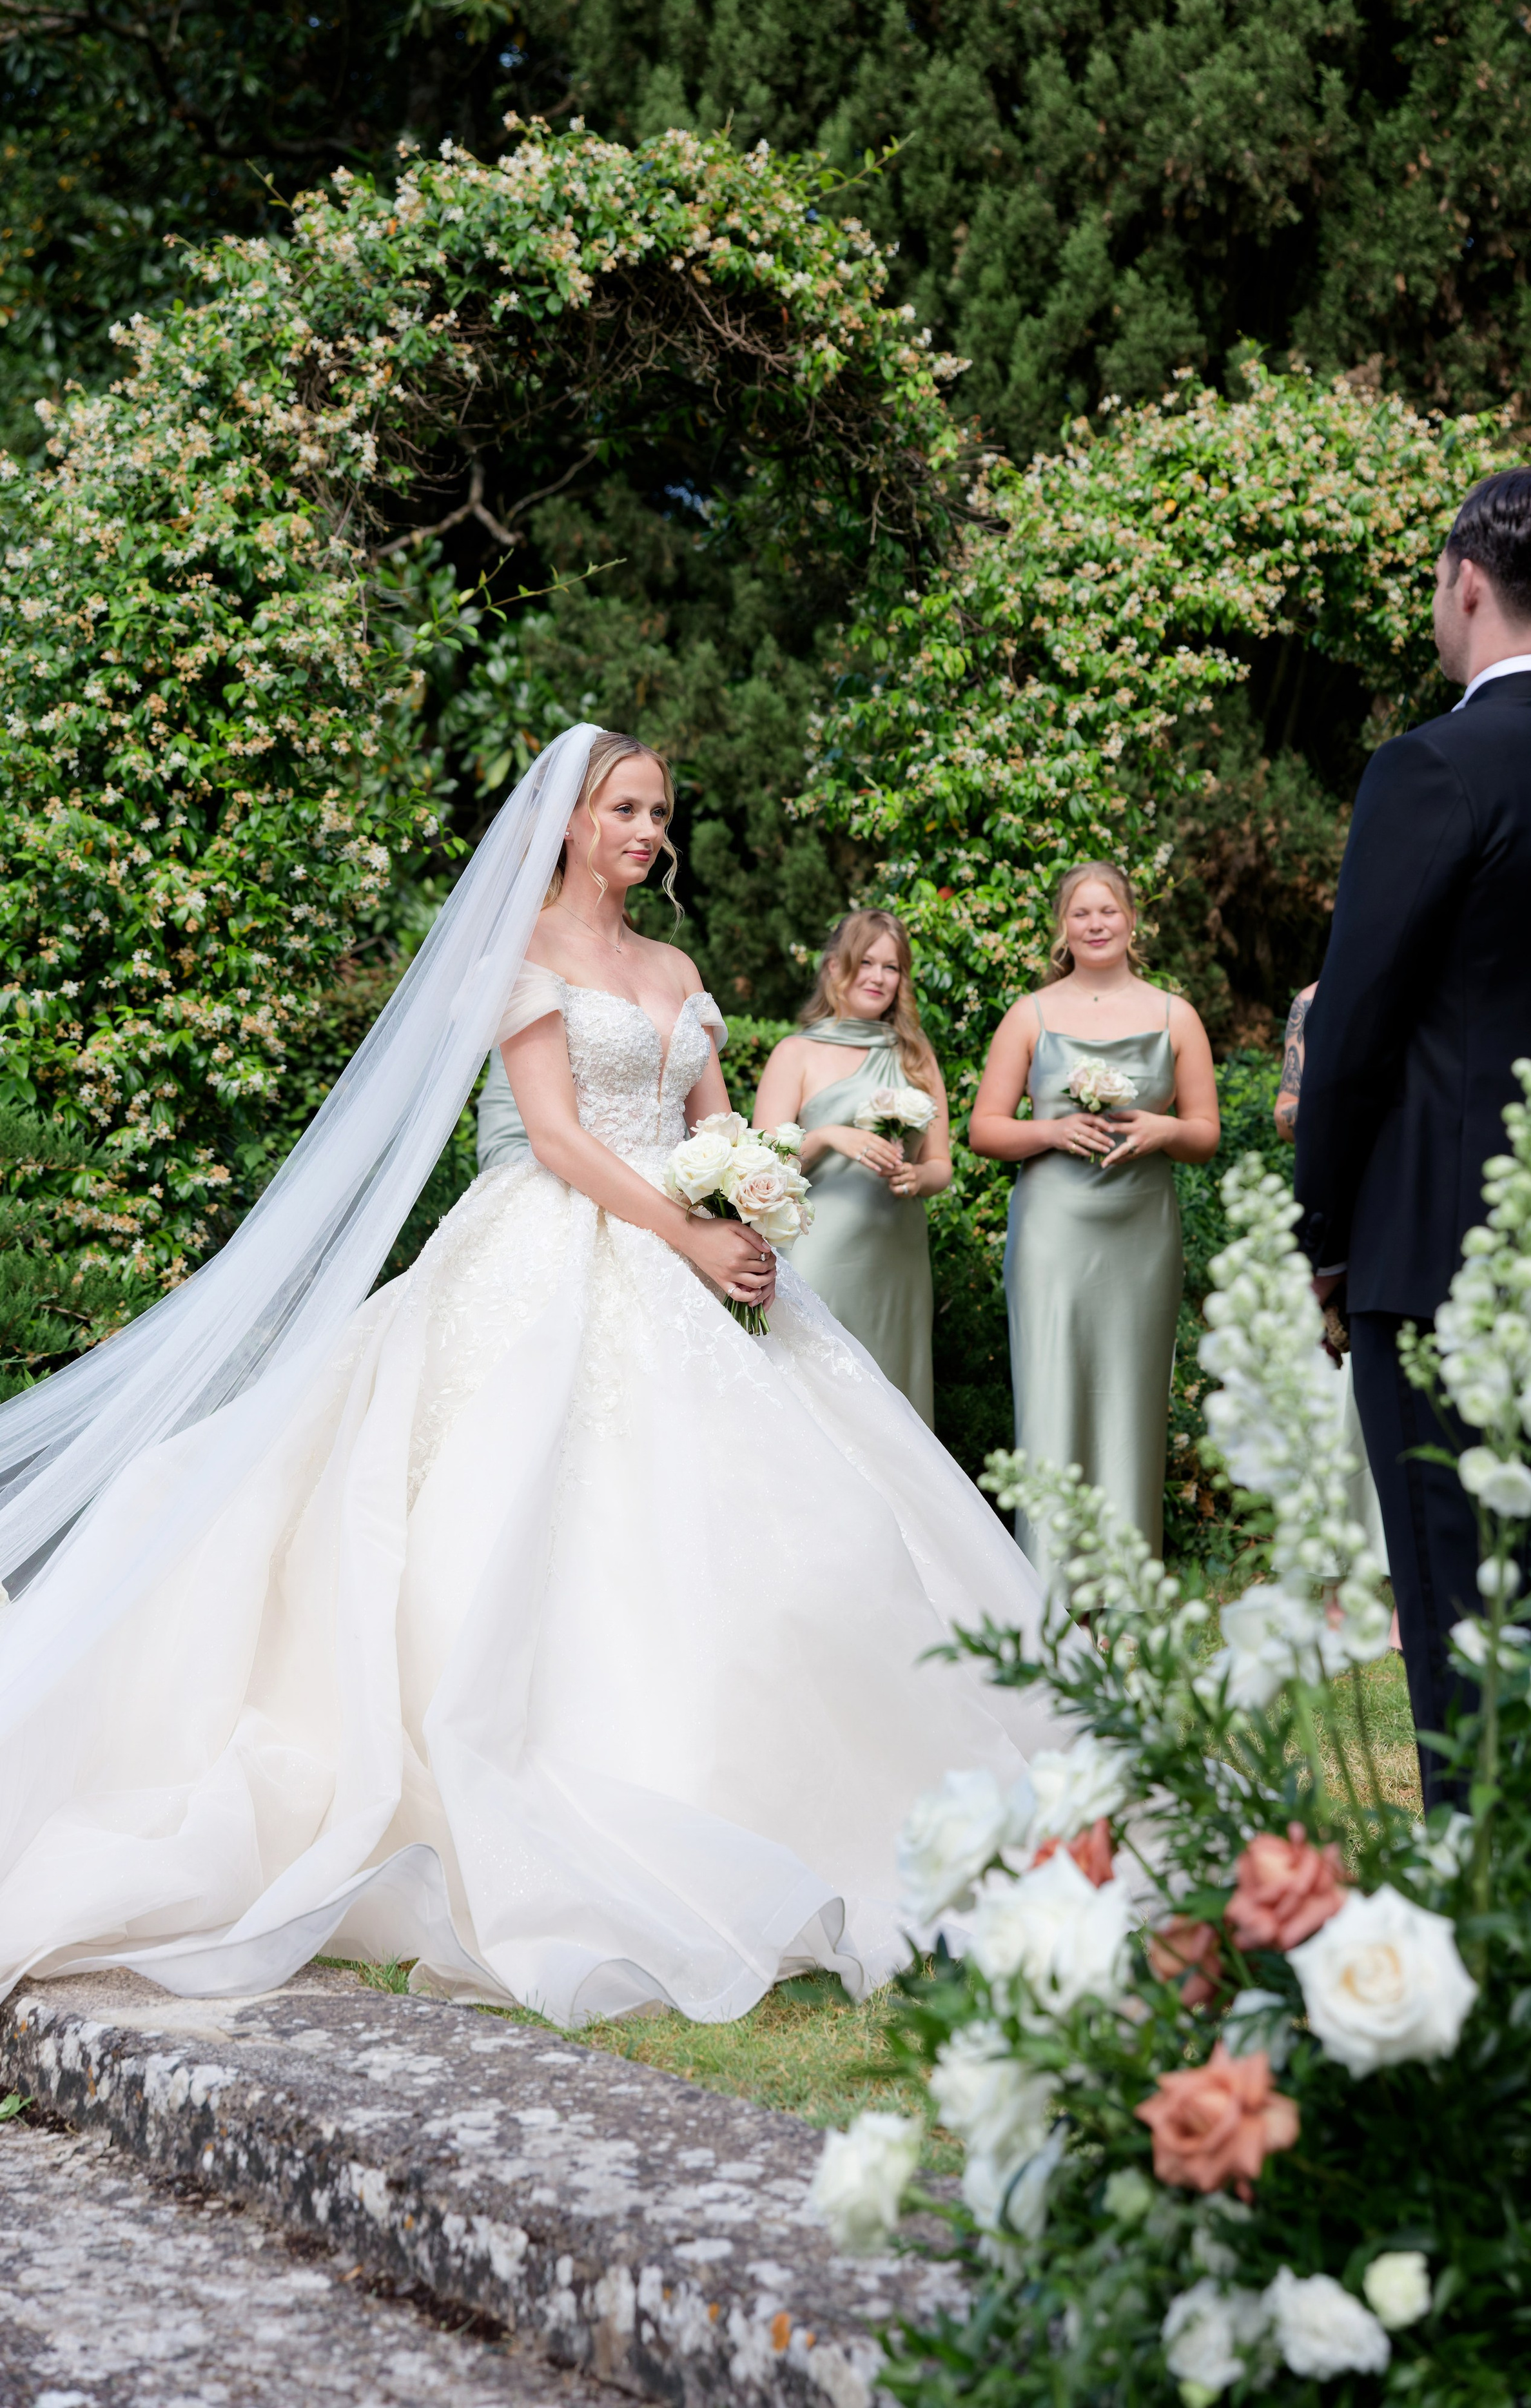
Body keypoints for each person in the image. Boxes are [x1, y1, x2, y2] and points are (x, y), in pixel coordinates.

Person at [0, 724, 1053, 2021]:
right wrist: (680, 1226)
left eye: (658, 811)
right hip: (548, 1247)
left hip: (686, 1242)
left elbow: (708, 1119)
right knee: (504, 1498)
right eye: (622, 807)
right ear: (568, 820)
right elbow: (554, 1135)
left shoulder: (673, 966)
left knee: (804, 1516)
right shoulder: (522, 959)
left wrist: (754, 1193)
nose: (643, 830)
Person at [1294, 467, 1531, 1806]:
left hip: (1426, 1256)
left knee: (1451, 1621)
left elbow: (1352, 1034)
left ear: (1465, 584)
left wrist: (1322, 1233)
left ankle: (1476, 1946)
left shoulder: (1427, 766)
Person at [970, 863, 1220, 1576]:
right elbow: (985, 1130)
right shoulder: (1032, 1014)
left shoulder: (1175, 1016)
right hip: (1053, 1229)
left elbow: (1204, 1133)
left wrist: (1162, 1131)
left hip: (1140, 1229)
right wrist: (1051, 1132)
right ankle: (1048, 1586)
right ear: (1064, 928)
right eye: (1081, 914)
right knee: (1051, 1391)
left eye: (1108, 911)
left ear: (1132, 920)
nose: (1096, 924)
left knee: (1131, 1399)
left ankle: (1124, 1589)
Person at [753, 911, 949, 1424]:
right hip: (820, 1252)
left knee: (891, 1401)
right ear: (835, 967)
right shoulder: (796, 1053)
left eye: (892, 967)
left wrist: (917, 1178)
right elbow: (760, 1174)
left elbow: (941, 1167)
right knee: (820, 1396)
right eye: (867, 962)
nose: (879, 977)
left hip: (897, 1255)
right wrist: (827, 1137)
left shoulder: (914, 1055)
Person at [1275, 983, 1396, 1638]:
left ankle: (1407, 1590)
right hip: (1335, 1208)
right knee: (1333, 1409)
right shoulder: (1313, 1003)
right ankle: (1336, 1588)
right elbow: (1285, 1113)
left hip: (1410, 1205)